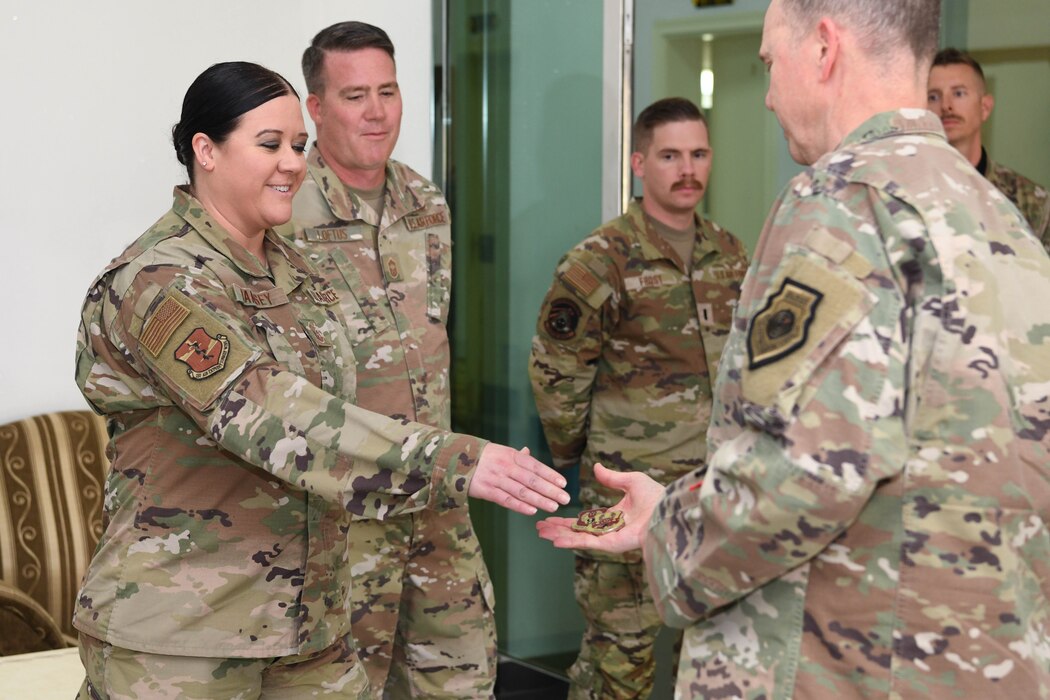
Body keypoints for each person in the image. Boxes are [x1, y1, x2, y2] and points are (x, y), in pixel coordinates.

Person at [539, 0, 1050, 697]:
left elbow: (801, 470)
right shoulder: (999, 217)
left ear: (824, 50)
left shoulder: (843, 203)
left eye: (771, 62)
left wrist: (667, 527)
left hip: (840, 660)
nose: (771, 95)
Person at [74, 60, 568, 699]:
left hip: (311, 627)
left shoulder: (300, 273)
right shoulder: (159, 283)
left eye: (299, 146)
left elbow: (349, 403)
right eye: (270, 144)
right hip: (185, 637)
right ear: (207, 151)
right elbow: (268, 414)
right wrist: (452, 457)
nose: (293, 163)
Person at [280, 22, 513, 698]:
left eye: (388, 90)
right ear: (316, 108)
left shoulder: (425, 202)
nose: (378, 112)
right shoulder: (284, 212)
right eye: (356, 96)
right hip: (345, 512)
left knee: (464, 677)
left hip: (437, 496)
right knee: (346, 685)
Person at [527, 96, 748, 699]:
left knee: (715, 659)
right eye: (670, 155)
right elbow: (556, 369)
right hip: (625, 490)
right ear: (638, 163)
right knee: (617, 665)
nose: (688, 169)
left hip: (711, 495)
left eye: (699, 154)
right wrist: (573, 459)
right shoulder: (600, 261)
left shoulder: (731, 255)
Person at [927, 47, 1050, 252]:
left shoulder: (1031, 201)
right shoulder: (902, 192)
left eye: (959, 93)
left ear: (984, 107)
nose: (946, 106)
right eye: (933, 97)